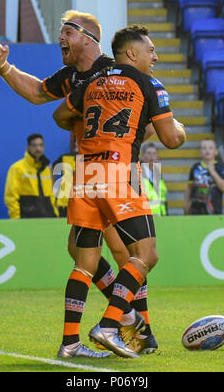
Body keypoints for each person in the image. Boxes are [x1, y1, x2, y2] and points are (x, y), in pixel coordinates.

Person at [0, 10, 156, 358]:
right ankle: (125, 318)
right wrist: (5, 67)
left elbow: (151, 120)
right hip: (89, 168)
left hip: (122, 169)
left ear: (88, 37)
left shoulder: (116, 70)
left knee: (125, 252)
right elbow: (36, 92)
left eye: (67, 31)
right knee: (82, 251)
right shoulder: (71, 78)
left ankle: (140, 330)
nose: (60, 38)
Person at [54, 25, 186, 358]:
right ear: (132, 53)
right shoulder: (149, 83)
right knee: (145, 255)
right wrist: (178, 128)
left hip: (86, 174)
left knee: (84, 261)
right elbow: (171, 139)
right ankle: (112, 325)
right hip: (117, 172)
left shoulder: (92, 82)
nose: (155, 56)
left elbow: (60, 114)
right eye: (151, 50)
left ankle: (70, 344)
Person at [5, 134, 59, 219]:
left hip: (48, 219)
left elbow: (52, 196)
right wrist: (16, 218)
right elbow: (11, 196)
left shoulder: (47, 169)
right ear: (28, 147)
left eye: (41, 145)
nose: (38, 148)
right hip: (27, 220)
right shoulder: (17, 168)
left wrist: (55, 214)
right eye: (34, 145)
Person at [184, 139, 224, 215]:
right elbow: (189, 187)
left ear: (216, 151)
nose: (207, 150)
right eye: (204, 148)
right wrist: (185, 204)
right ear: (200, 152)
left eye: (210, 148)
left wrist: (213, 172)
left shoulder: (221, 167)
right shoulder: (195, 167)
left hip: (214, 211)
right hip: (195, 211)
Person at [141, 142, 168, 216]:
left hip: (160, 216)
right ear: (142, 156)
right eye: (148, 153)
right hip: (145, 216)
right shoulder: (137, 173)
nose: (151, 156)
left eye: (154, 153)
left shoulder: (158, 174)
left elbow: (163, 198)